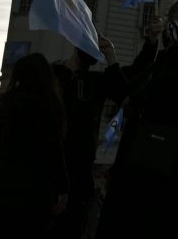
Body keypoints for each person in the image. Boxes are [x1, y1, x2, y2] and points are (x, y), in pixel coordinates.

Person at [96, 0, 178, 239]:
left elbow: (164, 95)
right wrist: (114, 59)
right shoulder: (167, 56)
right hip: (138, 154)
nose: (173, 24)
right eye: (172, 19)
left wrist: (168, 51)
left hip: (163, 160)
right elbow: (127, 91)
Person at [0, 52, 68, 236]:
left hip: (3, 184)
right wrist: (63, 188)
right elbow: (55, 150)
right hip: (36, 189)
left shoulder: (7, 104)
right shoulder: (49, 107)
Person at [52, 46, 112, 239]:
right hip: (76, 169)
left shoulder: (60, 79)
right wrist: (111, 58)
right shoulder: (93, 83)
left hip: (65, 169)